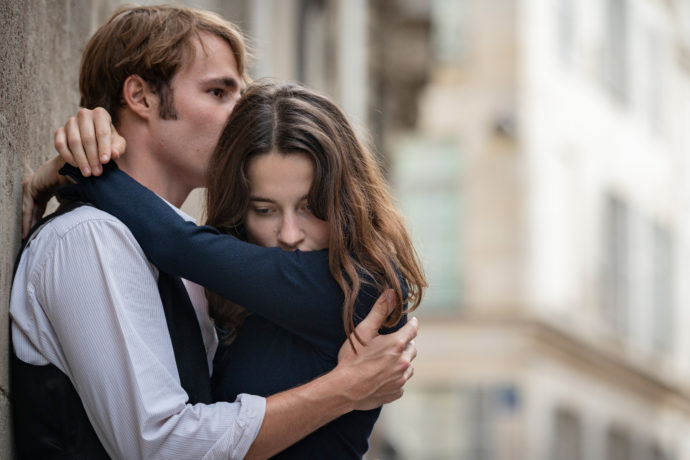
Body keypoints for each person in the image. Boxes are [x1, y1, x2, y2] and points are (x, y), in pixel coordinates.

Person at [12, 5, 417, 460]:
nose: (239, 114)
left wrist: (80, 169)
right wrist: (343, 389)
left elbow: (181, 245)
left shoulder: (354, 286)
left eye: (310, 207)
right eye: (219, 92)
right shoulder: (89, 240)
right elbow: (161, 444)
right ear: (141, 98)